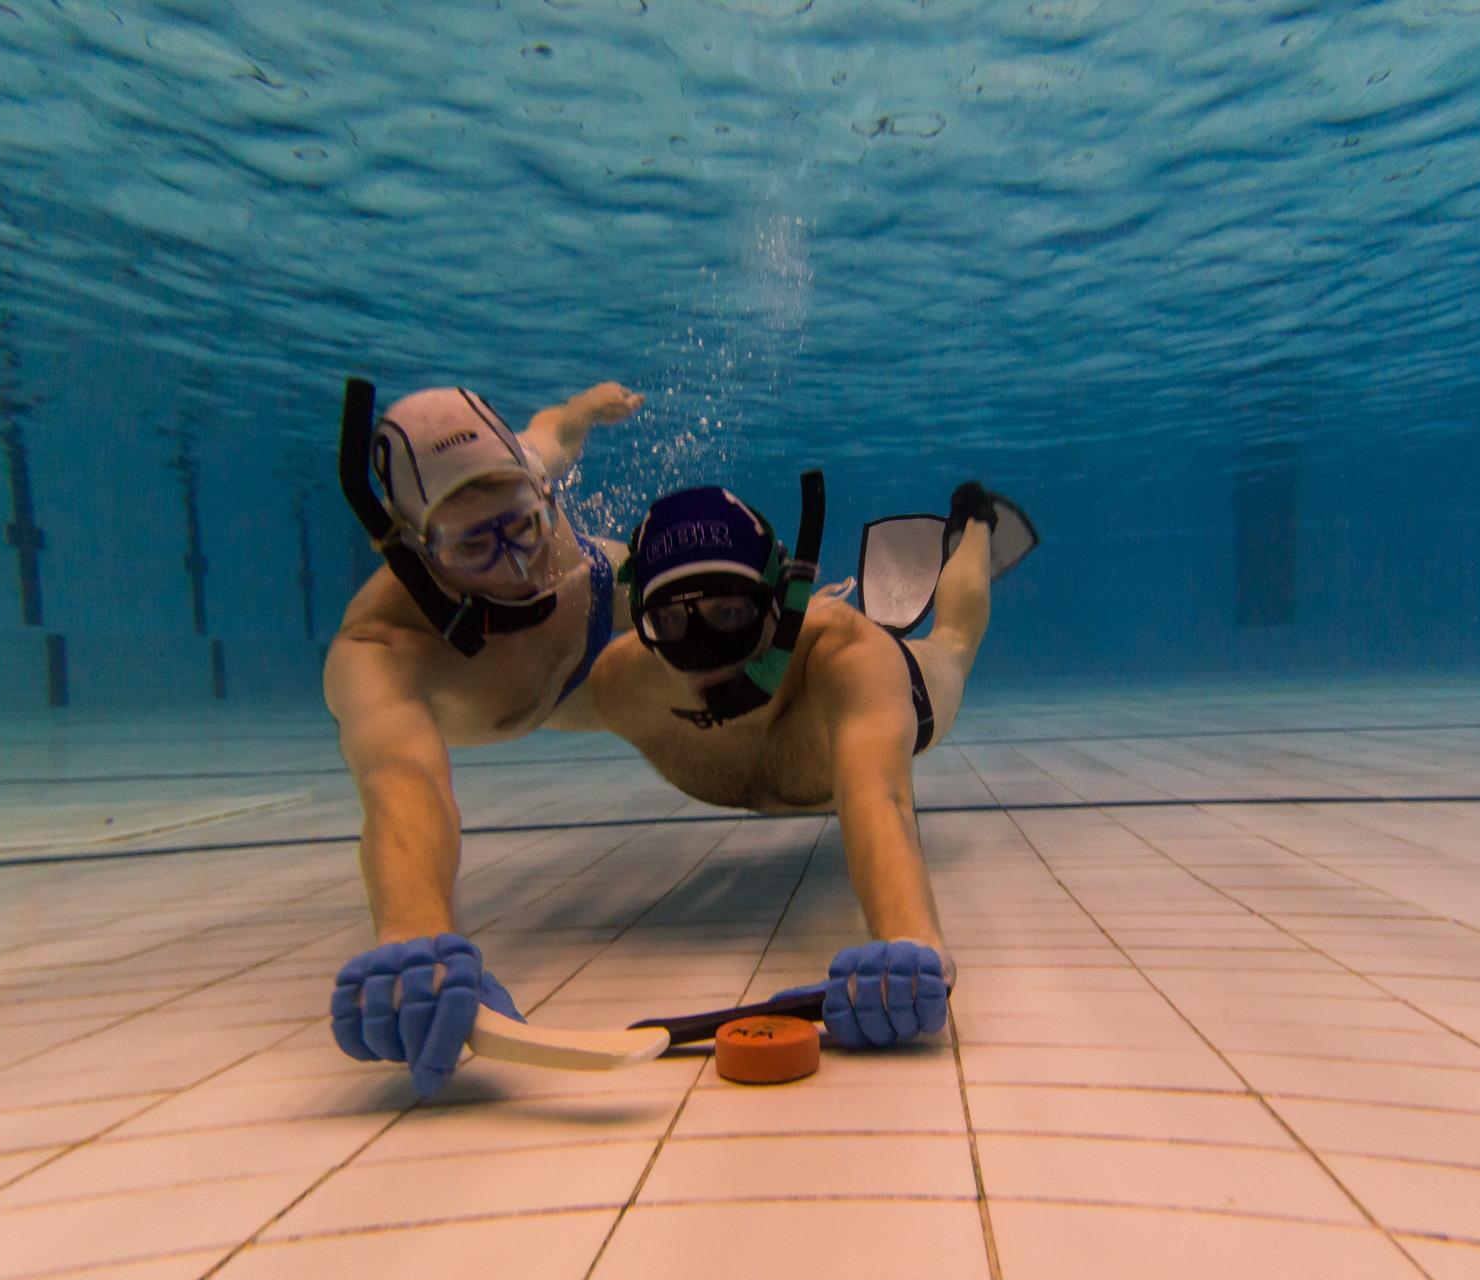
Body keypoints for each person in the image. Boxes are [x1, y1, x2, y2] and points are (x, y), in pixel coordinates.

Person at [587, 477, 1035, 1050]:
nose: (704, 654)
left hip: (898, 685)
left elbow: (882, 800)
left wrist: (910, 943)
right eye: (672, 622)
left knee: (951, 642)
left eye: (730, 612)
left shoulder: (850, 659)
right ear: (640, 623)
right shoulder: (619, 685)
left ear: (781, 602)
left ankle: (974, 524)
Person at [323, 379, 642, 1095]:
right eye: (473, 545)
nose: (518, 563)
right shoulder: (380, 646)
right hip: (565, 697)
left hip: (598, 620)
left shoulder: (528, 463)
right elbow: (405, 787)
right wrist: (415, 932)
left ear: (540, 493)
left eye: (524, 525)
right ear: (410, 546)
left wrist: (589, 407)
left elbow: (553, 429)